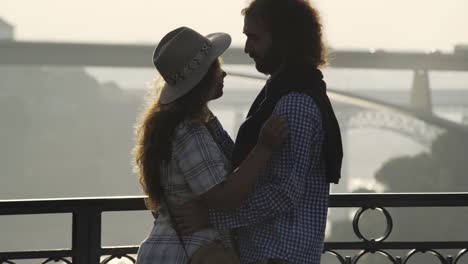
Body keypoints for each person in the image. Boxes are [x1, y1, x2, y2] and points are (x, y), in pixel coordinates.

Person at [174, 0, 343, 263]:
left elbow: (282, 191)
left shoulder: (293, 103)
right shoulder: (281, 92)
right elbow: (256, 165)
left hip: (277, 255)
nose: (247, 48)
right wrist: (210, 122)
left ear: (284, 38)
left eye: (254, 38)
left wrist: (210, 216)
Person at [133, 26, 288, 264]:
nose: (223, 74)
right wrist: (263, 149)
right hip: (193, 252)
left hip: (163, 249)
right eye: (216, 67)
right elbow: (223, 198)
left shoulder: (173, 125)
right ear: (202, 79)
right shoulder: (189, 131)